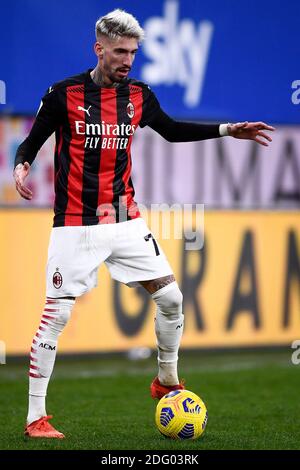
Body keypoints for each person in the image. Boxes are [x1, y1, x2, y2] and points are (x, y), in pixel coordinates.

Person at [14, 9, 274, 439]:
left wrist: (229, 129)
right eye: (119, 52)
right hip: (75, 224)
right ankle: (35, 418)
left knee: (171, 298)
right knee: (55, 317)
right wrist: (22, 166)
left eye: (133, 52)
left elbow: (171, 130)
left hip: (124, 217)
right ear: (99, 49)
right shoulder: (63, 95)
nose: (127, 60)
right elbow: (31, 141)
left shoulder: (140, 96)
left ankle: (166, 381)